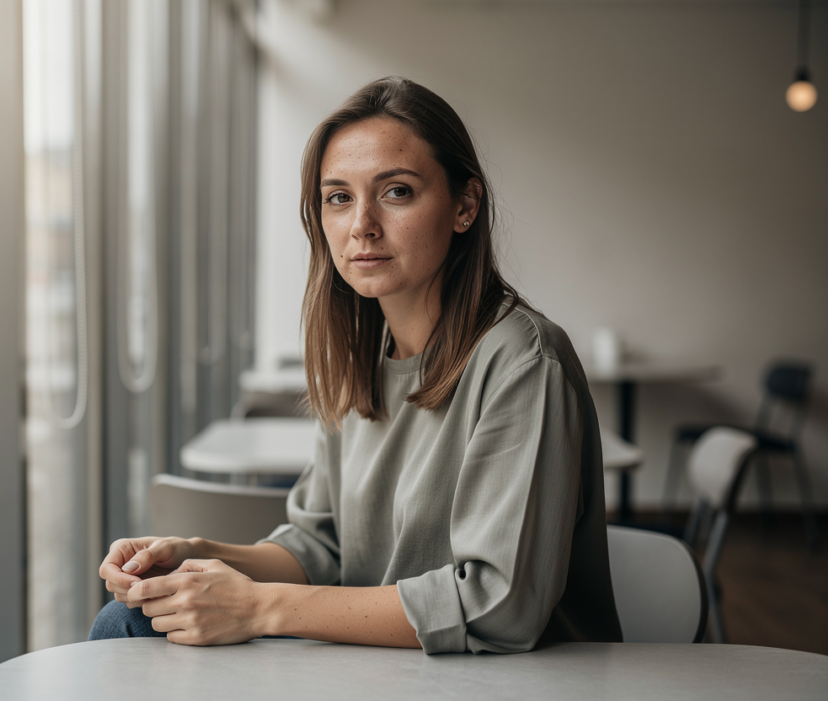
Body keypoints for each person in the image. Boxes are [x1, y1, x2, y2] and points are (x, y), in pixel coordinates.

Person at [91, 77, 623, 653]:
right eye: (339, 197)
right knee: (132, 619)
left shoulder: (523, 362)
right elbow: (322, 548)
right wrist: (199, 554)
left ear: (464, 206)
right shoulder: (359, 360)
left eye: (396, 192)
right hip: (388, 669)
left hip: (510, 684)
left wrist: (263, 607)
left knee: (128, 633)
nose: (361, 224)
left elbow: (499, 607)